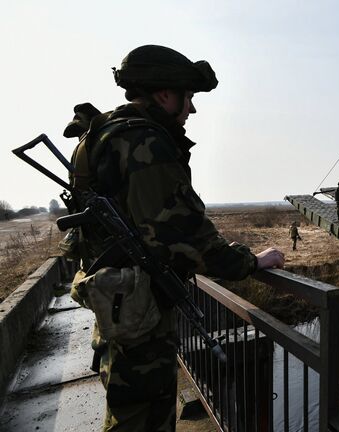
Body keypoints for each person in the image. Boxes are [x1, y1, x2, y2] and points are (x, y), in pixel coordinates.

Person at [65, 45, 285, 432]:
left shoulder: (101, 133)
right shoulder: (146, 144)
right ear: (164, 93)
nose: (191, 109)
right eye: (189, 97)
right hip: (139, 321)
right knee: (142, 419)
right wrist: (252, 261)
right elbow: (183, 237)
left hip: (118, 308)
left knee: (126, 412)